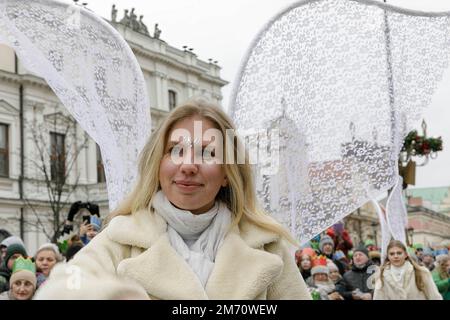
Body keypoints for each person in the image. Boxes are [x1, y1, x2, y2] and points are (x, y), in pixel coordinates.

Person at [35, 98, 311, 300]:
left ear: (227, 172)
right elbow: (59, 291)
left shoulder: (266, 247)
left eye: (207, 153)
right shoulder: (120, 239)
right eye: (176, 150)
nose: (189, 165)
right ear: (158, 163)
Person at [373, 240, 442, 300]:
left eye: (399, 253)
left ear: (405, 254)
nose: (396, 256)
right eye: (392, 254)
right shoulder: (381, 275)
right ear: (388, 256)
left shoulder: (421, 272)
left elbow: (434, 296)